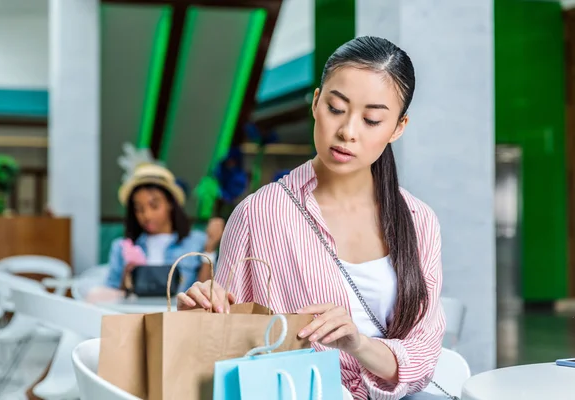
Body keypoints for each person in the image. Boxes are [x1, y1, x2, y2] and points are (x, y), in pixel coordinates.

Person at [177, 36, 446, 400]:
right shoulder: (259, 214)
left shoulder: (418, 221)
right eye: (336, 108)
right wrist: (202, 316)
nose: (348, 131)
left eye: (371, 119)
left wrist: (357, 343)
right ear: (317, 102)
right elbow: (229, 351)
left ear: (397, 127)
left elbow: (423, 356)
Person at [86, 164, 224, 303]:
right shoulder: (121, 247)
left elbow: (207, 295)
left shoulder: (197, 242)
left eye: (154, 205)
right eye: (139, 209)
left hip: (180, 320)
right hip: (135, 318)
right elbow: (110, 297)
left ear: (170, 203)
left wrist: (209, 249)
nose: (147, 215)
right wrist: (127, 277)